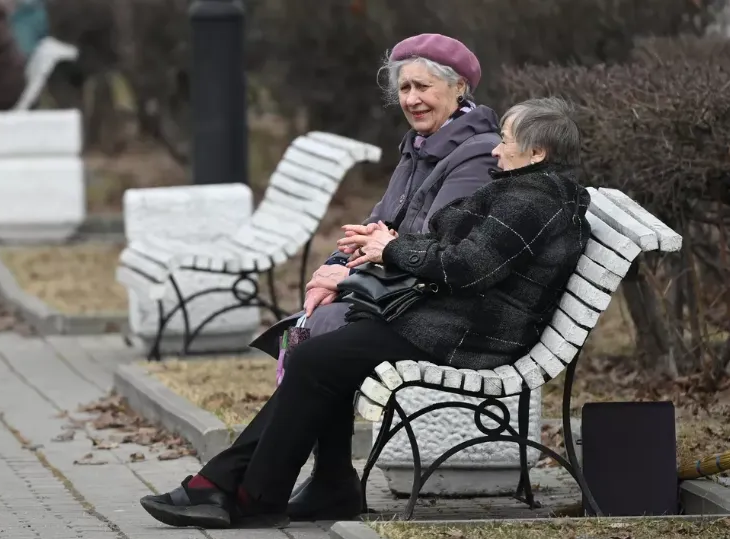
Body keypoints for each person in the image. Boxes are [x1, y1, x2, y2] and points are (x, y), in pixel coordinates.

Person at [139, 96, 592, 529]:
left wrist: (391, 250)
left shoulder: (531, 201)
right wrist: (387, 244)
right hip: (454, 321)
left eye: (506, 141)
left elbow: (467, 267)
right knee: (321, 356)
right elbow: (457, 250)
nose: (496, 148)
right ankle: (300, 487)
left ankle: (248, 494)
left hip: (466, 335)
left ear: (536, 152)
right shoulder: (530, 192)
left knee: (315, 359)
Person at [252, 33, 502, 521]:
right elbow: (376, 225)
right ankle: (323, 480)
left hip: (436, 313)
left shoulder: (474, 155)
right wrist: (331, 270)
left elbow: (432, 242)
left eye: (424, 87)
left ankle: (268, 484)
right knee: (313, 324)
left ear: (458, 88)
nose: (412, 99)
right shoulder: (419, 147)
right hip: (399, 294)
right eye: (405, 88)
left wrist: (350, 273)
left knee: (319, 340)